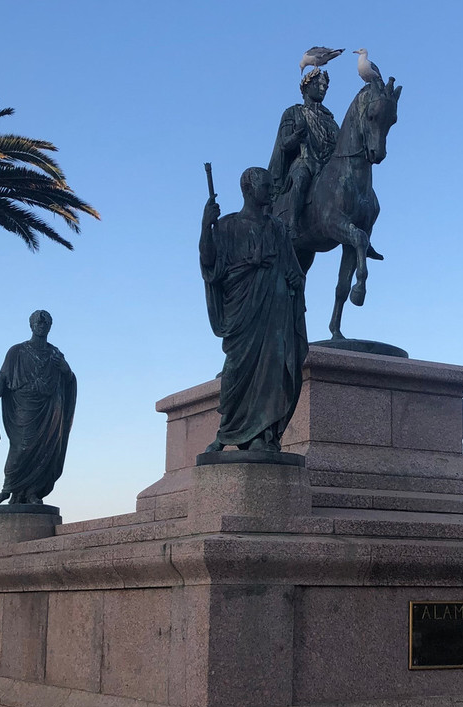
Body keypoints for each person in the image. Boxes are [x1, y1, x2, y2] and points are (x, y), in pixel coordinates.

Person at [199, 167, 308, 452]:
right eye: (266, 185)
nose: (271, 190)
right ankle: (226, 433)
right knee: (236, 370)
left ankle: (264, 434)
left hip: (275, 311)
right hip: (242, 311)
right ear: (248, 189)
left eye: (272, 185)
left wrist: (296, 280)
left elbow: (294, 270)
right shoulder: (226, 226)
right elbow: (211, 264)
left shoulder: (278, 228)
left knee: (273, 370)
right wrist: (205, 226)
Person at [0, 310, 76, 505]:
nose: (42, 326)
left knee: (45, 451)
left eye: (46, 323)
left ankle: (33, 491)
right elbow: (2, 379)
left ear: (50, 327)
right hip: (23, 408)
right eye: (38, 323)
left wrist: (66, 370)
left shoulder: (55, 354)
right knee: (21, 447)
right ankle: (8, 489)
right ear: (31, 325)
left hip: (50, 410)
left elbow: (68, 380)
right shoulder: (16, 351)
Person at [267, 68, 339, 239]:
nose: (322, 88)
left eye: (325, 86)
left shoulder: (329, 118)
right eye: (318, 84)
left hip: (327, 164)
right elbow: (284, 144)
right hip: (305, 160)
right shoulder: (293, 112)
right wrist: (296, 136)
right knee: (300, 179)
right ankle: (292, 225)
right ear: (306, 87)